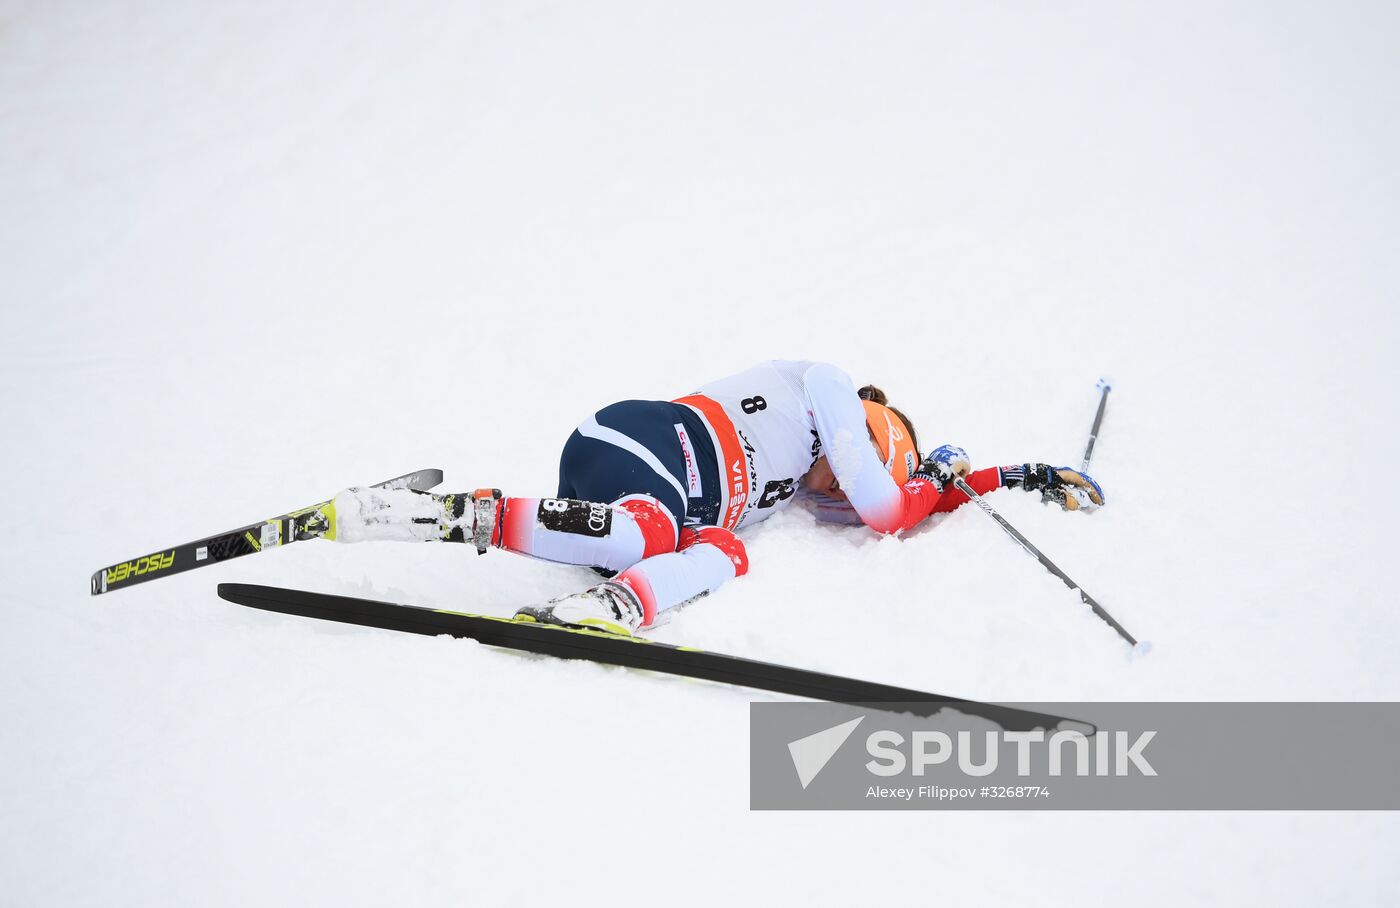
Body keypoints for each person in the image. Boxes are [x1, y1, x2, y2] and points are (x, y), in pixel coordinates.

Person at [300, 360, 1103, 636]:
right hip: (643, 440)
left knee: (720, 549)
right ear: (867, 422)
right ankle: (429, 518)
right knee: (655, 531)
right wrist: (930, 473)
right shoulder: (826, 384)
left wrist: (1004, 475)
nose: (846, 483)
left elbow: (900, 514)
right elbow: (894, 509)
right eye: (866, 455)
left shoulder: (816, 488)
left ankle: (607, 605)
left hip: (637, 498)